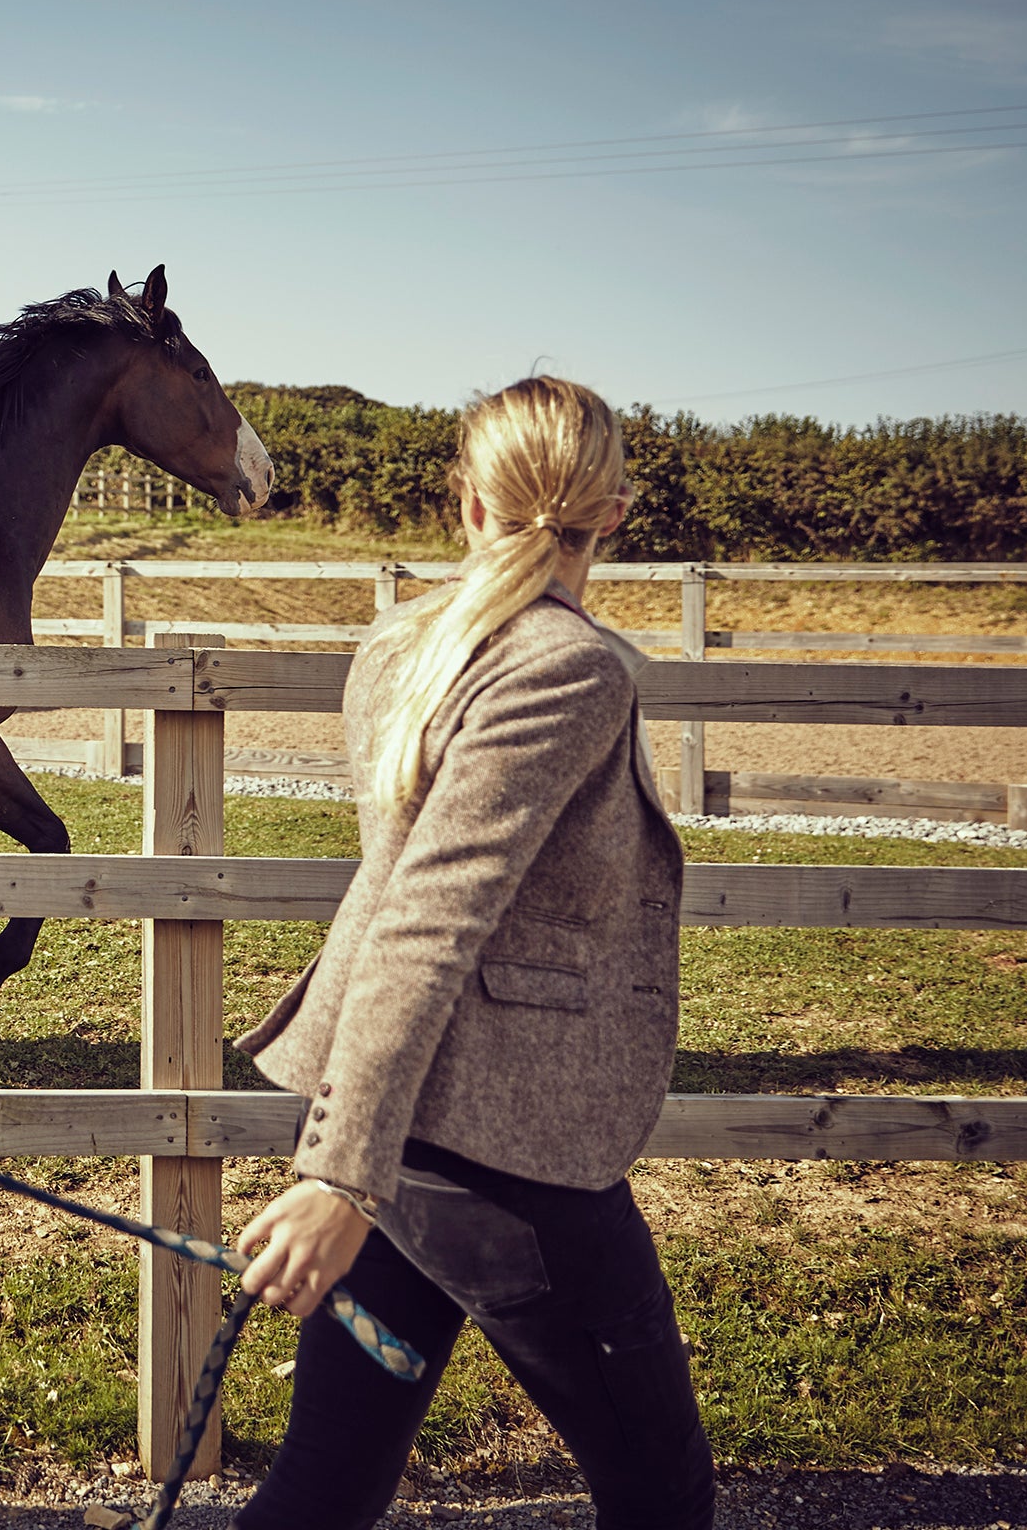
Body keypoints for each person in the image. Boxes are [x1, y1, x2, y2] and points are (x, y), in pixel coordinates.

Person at [229, 375, 710, 1530]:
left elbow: (406, 893)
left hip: (400, 1125)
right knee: (662, 1493)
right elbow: (427, 913)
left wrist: (358, 1154)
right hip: (503, 1152)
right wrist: (344, 1175)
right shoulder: (569, 664)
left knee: (328, 1485)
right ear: (619, 513)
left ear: (467, 502)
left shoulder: (405, 640)